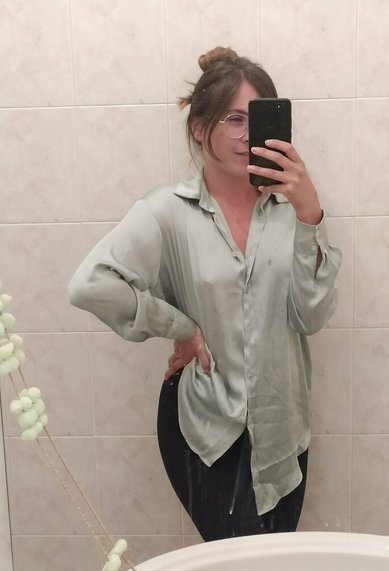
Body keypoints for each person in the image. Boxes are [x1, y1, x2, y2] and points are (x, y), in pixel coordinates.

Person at [68, 46, 342, 542]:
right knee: (236, 567)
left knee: (269, 569)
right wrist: (180, 326)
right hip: (207, 431)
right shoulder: (167, 212)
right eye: (234, 119)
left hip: (283, 433)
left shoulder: (292, 213)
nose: (247, 134)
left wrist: (310, 214)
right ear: (199, 127)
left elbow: (311, 317)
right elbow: (91, 284)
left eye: (257, 118)